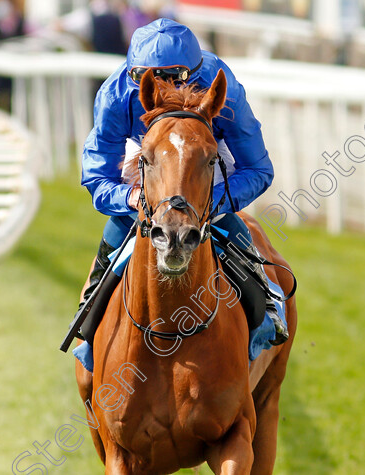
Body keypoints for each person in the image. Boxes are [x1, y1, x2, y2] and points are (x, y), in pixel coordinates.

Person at [78, 18, 288, 345]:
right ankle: (90, 312)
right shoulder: (116, 95)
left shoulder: (225, 92)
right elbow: (96, 175)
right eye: (145, 78)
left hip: (205, 150)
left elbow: (259, 170)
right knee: (119, 223)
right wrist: (129, 199)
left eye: (170, 79)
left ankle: (265, 301)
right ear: (133, 74)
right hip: (152, 147)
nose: (159, 88)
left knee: (220, 221)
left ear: (192, 74)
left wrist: (207, 203)